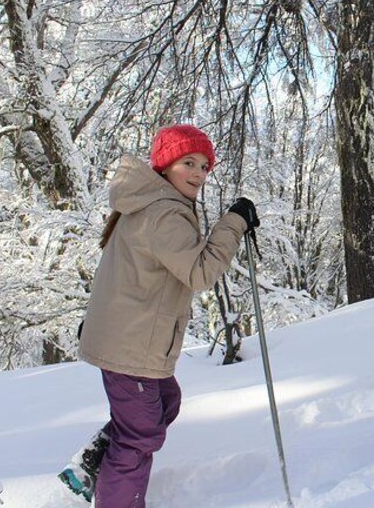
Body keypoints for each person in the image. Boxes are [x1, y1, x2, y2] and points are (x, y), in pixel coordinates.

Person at [59, 124, 260, 507]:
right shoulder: (164, 213)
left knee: (165, 401)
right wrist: (233, 221)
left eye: (204, 166)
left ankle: (93, 461)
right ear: (165, 165)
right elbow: (200, 272)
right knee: (138, 439)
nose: (199, 174)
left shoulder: (148, 203)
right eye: (189, 163)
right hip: (131, 346)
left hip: (129, 339)